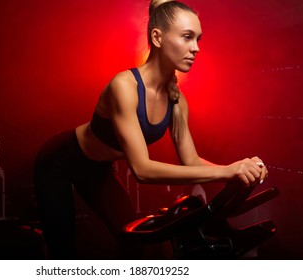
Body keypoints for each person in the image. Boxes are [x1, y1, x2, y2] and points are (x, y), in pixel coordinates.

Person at [34, 0, 268, 259]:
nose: (196, 48)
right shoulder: (123, 86)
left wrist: (239, 170)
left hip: (98, 168)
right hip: (59, 161)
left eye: (198, 39)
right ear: (157, 37)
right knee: (62, 249)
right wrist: (226, 171)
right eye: (187, 37)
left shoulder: (176, 100)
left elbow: (190, 162)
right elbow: (142, 170)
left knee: (136, 241)